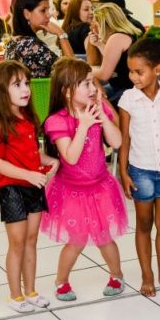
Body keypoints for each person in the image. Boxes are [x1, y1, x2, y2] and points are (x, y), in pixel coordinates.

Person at [42, 58, 127, 301]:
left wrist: (102, 115)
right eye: (86, 84)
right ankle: (61, 280)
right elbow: (70, 156)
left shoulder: (97, 110)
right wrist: (83, 125)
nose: (93, 89)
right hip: (71, 191)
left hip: (100, 187)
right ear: (67, 92)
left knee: (104, 236)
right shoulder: (57, 121)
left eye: (92, 82)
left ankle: (117, 274)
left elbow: (117, 142)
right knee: (76, 240)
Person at [0, 61, 59, 312]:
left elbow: (33, 152)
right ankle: (15, 295)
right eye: (17, 85)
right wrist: (28, 175)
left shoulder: (27, 118)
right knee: (17, 243)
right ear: (1, 91)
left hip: (33, 184)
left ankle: (31, 290)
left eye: (26, 83)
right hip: (12, 189)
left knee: (31, 240)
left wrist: (51, 161)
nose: (25, 89)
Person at [118, 37, 160, 296]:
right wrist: (123, 172)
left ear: (158, 69)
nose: (133, 76)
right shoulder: (128, 100)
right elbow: (124, 139)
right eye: (131, 71)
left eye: (139, 71)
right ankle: (147, 276)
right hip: (141, 171)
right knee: (144, 224)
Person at [6, 0, 73, 78]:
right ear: (27, 14)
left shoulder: (12, 42)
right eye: (43, 10)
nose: (48, 15)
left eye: (48, 10)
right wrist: (61, 33)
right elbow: (73, 70)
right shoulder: (32, 45)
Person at [87, 2, 143, 108]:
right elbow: (115, 58)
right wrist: (98, 44)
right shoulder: (131, 34)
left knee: (92, 103)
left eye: (96, 24)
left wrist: (87, 68)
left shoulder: (116, 38)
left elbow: (104, 74)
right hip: (132, 87)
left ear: (103, 23)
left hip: (129, 90)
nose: (94, 29)